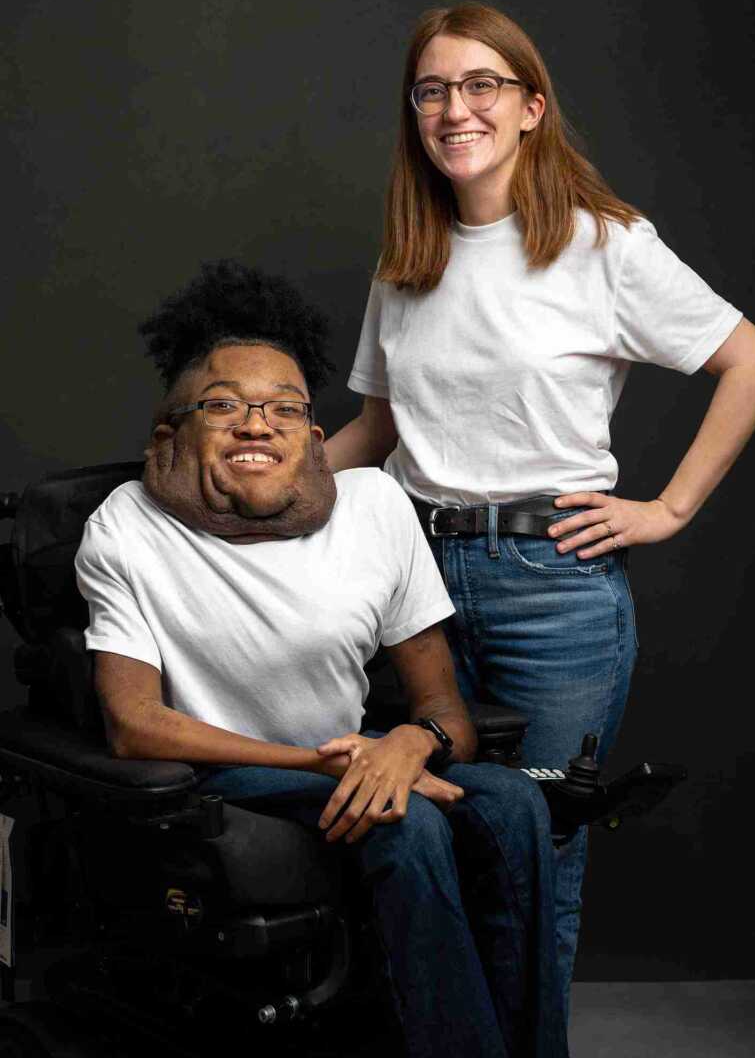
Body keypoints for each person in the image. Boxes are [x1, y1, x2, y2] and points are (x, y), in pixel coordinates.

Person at [324, 1, 755, 1006]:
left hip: (549, 592)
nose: (456, 108)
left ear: (531, 107)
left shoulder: (602, 244)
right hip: (405, 581)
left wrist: (667, 508)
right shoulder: (406, 255)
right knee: (420, 830)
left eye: (480, 85)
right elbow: (377, 431)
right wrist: (245, 484)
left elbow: (752, 359)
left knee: (533, 852)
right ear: (413, 113)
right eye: (432, 89)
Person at [75, 261, 570, 1058]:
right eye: (224, 404)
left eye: (282, 408)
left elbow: (444, 711)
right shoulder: (126, 528)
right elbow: (134, 726)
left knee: (513, 803)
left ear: (312, 438)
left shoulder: (373, 506)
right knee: (406, 827)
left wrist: (412, 744)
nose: (255, 423)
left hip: (357, 759)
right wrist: (324, 763)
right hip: (234, 776)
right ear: (172, 431)